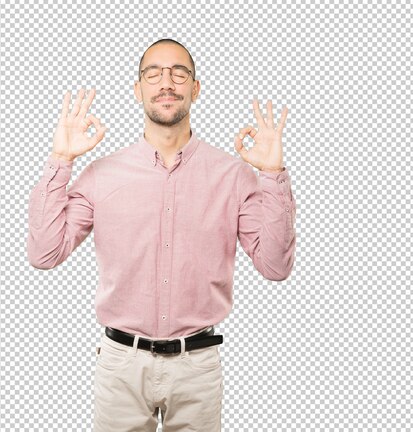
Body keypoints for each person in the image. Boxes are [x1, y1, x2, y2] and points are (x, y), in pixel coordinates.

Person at [26, 38, 296, 431]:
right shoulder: (101, 175)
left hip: (198, 368)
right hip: (120, 366)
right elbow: (44, 254)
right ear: (138, 90)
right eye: (153, 74)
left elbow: (275, 266)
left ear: (195, 88)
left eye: (178, 73)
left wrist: (272, 175)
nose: (166, 82)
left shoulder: (234, 175)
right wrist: (61, 160)